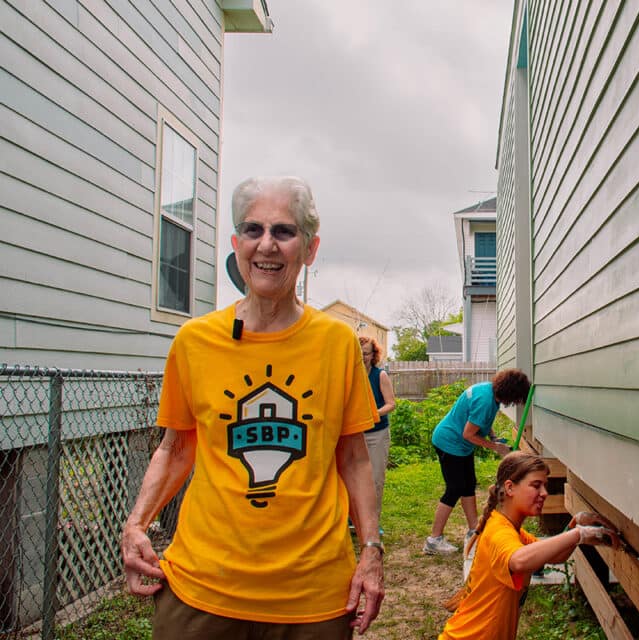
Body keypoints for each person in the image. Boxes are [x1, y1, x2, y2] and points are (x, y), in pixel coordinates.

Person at [120, 176, 385, 639]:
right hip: (202, 591)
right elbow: (176, 447)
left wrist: (371, 550)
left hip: (313, 598)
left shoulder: (337, 343)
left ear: (310, 248)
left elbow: (354, 455)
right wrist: (136, 523)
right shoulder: (194, 341)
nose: (267, 245)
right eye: (253, 230)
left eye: (284, 231)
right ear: (236, 243)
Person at [439, 451, 620, 639]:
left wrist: (574, 525)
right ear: (510, 488)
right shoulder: (499, 532)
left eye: (545, 486)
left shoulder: (510, 528)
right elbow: (518, 561)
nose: (544, 493)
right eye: (536, 486)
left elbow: (555, 555)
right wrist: (579, 535)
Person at [424, 369, 531, 555]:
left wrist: (493, 436)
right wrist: (495, 447)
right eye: (516, 398)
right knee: (455, 488)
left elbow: (482, 421)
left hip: (460, 445)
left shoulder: (489, 391)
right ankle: (434, 540)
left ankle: (474, 528)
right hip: (450, 443)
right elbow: (468, 434)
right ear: (510, 392)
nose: (514, 402)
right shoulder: (485, 401)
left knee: (468, 485)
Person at [359, 336, 396, 529]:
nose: (363, 357)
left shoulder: (380, 375)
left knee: (375, 479)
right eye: (359, 353)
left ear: (374, 355)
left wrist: (372, 414)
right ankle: (354, 520)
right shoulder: (351, 374)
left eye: (366, 353)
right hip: (355, 434)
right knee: (355, 478)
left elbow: (391, 404)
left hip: (376, 434)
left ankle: (373, 522)